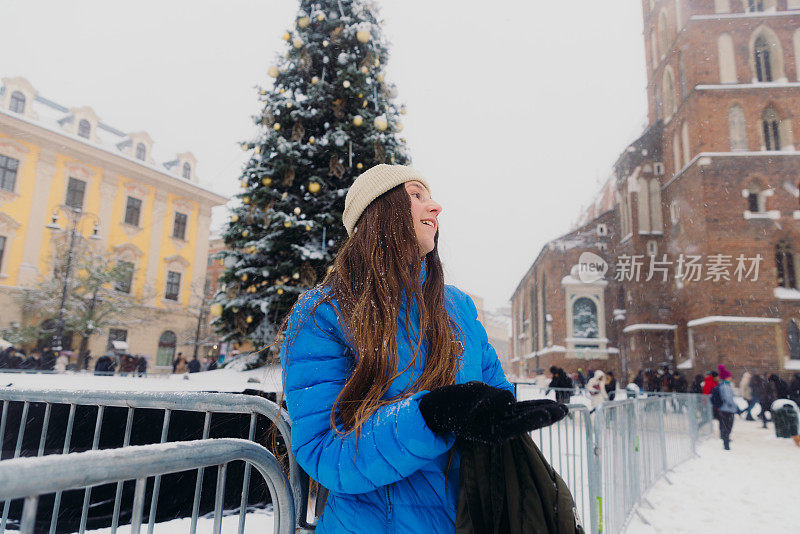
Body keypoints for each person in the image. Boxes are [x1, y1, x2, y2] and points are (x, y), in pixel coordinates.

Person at [280, 165, 568, 533]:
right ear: (378, 210)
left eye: (429, 197)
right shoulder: (325, 312)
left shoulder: (458, 308)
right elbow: (323, 452)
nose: (435, 207)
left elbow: (493, 398)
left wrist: (499, 416)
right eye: (416, 195)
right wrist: (429, 416)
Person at [710, 365, 737, 450]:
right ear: (726, 377)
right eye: (729, 377)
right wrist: (735, 407)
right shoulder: (725, 386)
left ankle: (725, 442)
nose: (731, 378)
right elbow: (728, 398)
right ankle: (726, 444)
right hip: (727, 409)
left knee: (724, 426)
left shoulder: (722, 385)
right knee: (727, 427)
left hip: (723, 409)